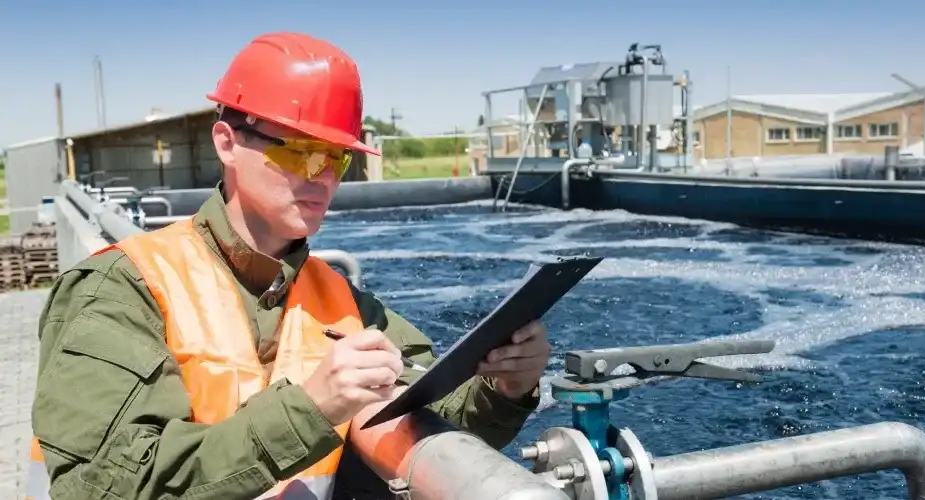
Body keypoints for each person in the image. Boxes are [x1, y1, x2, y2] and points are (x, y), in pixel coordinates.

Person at [28, 32, 550, 500]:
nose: (322, 177)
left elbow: (435, 424)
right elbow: (107, 486)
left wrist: (504, 388)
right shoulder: (119, 288)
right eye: (301, 153)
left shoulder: (343, 300)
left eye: (337, 158)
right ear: (227, 143)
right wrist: (313, 409)